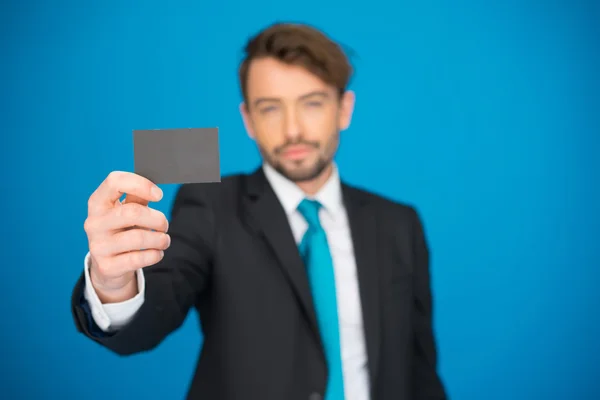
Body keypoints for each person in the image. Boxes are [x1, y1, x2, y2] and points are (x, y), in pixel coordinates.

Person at [71, 22, 447, 400]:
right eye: (270, 109)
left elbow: (419, 372)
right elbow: (150, 320)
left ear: (344, 109)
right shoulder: (209, 206)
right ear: (248, 120)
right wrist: (113, 282)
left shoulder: (399, 224)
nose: (293, 129)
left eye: (312, 103)